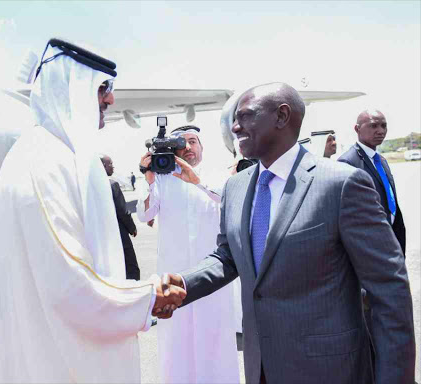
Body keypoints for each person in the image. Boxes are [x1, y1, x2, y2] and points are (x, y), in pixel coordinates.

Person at [160, 83, 415, 384]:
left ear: (282, 116)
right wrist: (184, 284)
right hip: (262, 368)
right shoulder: (236, 187)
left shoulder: (341, 184)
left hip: (330, 370)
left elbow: (389, 289)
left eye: (246, 116)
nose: (236, 126)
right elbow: (229, 256)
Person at [0, 38, 185, 384]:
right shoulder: (44, 162)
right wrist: (146, 298)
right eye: (103, 88)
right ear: (71, 87)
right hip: (59, 360)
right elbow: (70, 283)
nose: (110, 99)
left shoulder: (59, 156)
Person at [137, 125, 240, 384]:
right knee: (176, 341)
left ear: (202, 147)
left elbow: (226, 200)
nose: (189, 148)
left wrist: (197, 180)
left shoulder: (218, 176)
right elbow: (145, 214)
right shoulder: (162, 178)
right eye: (182, 143)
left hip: (212, 276)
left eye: (194, 142)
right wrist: (149, 179)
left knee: (215, 339)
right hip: (174, 277)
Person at [338, 110, 406, 254]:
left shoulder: (381, 160)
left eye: (384, 126)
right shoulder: (347, 162)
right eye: (374, 126)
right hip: (371, 244)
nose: (381, 131)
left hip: (393, 235)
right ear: (357, 129)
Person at [101, 154, 141, 280]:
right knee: (131, 267)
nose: (113, 166)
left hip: (101, 235)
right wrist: (132, 228)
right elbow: (123, 210)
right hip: (118, 233)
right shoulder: (112, 185)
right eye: (110, 164)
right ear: (103, 166)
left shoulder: (88, 186)